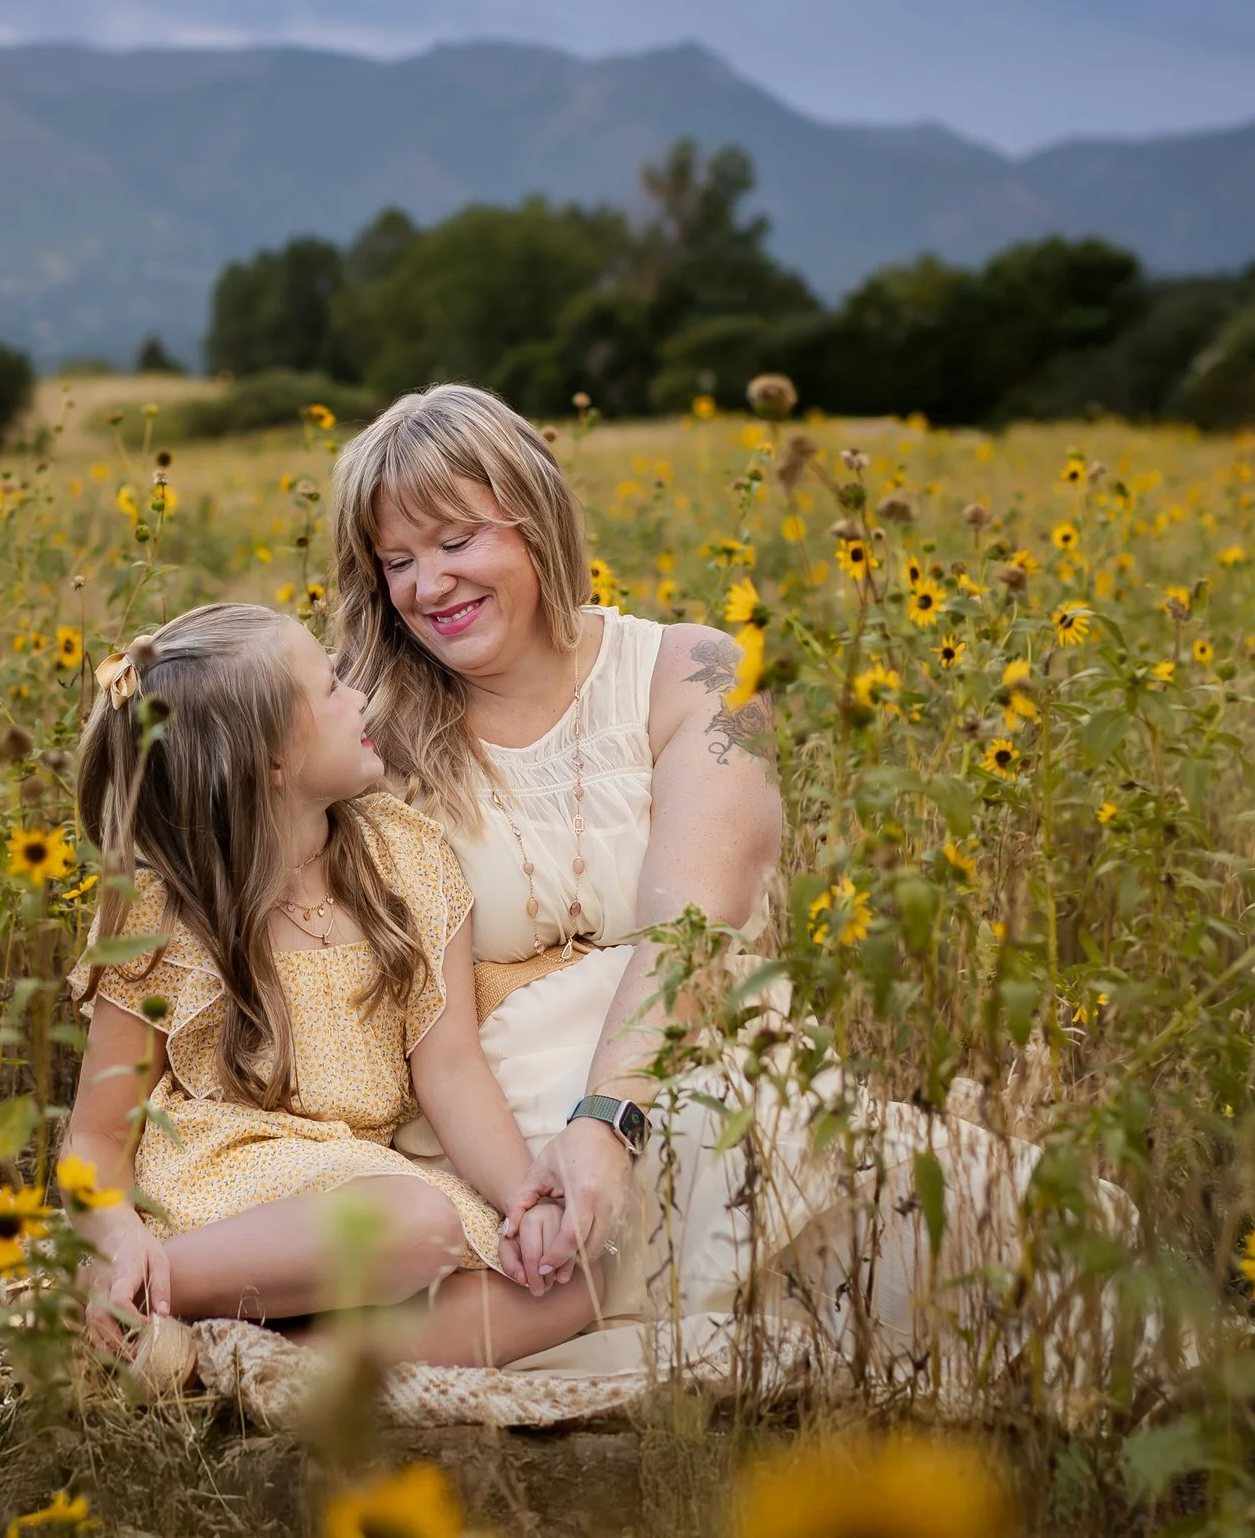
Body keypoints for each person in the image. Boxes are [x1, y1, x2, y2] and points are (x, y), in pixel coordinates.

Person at [334, 384, 1092, 1389]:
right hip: (497, 1116)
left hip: (692, 1065)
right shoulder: (364, 728)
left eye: (456, 539)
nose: (429, 584)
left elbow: (692, 921)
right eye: (396, 560)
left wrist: (609, 1119)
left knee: (1045, 1232)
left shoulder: (691, 670)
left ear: (535, 518)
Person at [55, 602, 602, 1372]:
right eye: (330, 688)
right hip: (231, 1192)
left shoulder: (402, 858)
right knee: (417, 1225)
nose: (359, 696)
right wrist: (115, 1233)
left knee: (574, 1283)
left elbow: (450, 1068)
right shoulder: (167, 912)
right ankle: (134, 1293)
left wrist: (524, 1196)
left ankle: (257, 1358)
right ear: (271, 762)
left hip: (363, 1179)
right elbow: (96, 1133)